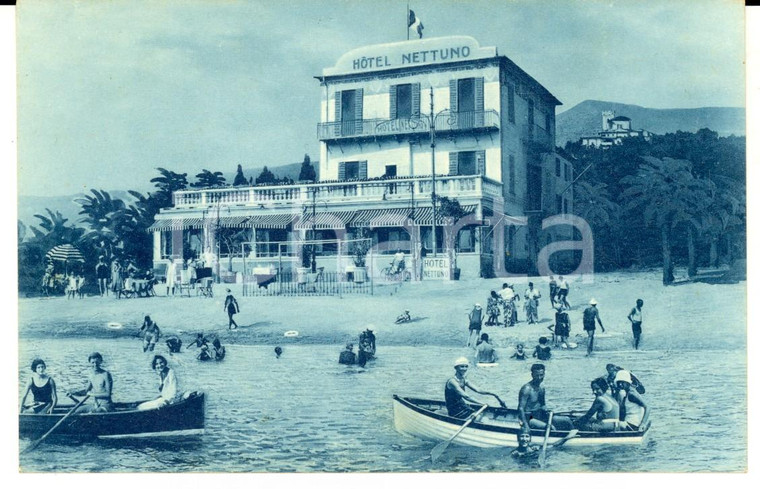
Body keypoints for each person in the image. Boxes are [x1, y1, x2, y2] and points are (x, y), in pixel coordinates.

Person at [517, 364, 572, 430]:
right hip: (529, 417)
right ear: (532, 375)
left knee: (567, 420)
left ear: (544, 374)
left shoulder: (542, 388)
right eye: (537, 375)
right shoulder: (526, 389)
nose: (539, 378)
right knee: (551, 427)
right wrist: (525, 425)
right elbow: (520, 409)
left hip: (540, 415)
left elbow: (543, 405)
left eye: (541, 375)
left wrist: (547, 410)